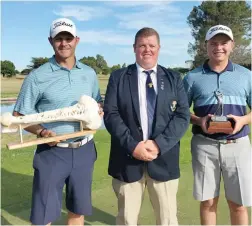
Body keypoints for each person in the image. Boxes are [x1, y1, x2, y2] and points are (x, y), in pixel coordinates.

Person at [13, 18, 103, 225]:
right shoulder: (37, 76)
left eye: (68, 38)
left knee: (77, 211)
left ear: (77, 40)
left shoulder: (89, 74)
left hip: (84, 149)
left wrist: (98, 111)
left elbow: (96, 104)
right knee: (44, 216)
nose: (64, 43)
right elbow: (20, 116)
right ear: (50, 41)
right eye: (59, 38)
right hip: (52, 153)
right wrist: (42, 132)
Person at [103, 27, 190, 225]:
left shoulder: (173, 78)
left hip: (163, 159)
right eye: (142, 45)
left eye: (151, 45)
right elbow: (111, 114)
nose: (147, 50)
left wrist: (158, 145)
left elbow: (182, 115)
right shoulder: (118, 77)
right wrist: (133, 146)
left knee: (167, 219)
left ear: (159, 48)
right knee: (126, 220)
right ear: (134, 48)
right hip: (127, 159)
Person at [183, 25, 252, 225]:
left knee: (238, 204)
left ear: (232, 45)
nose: (218, 47)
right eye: (213, 43)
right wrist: (199, 120)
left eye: (223, 43)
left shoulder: (246, 75)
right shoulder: (192, 77)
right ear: (206, 46)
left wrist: (242, 120)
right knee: (208, 202)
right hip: (204, 145)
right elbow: (181, 111)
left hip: (237, 146)